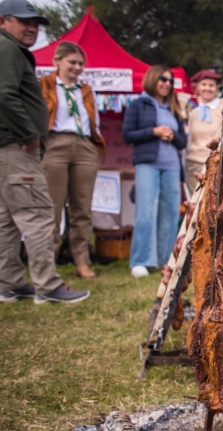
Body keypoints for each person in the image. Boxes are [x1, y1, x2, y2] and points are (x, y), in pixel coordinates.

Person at [0, 0, 89, 304]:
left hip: (6, 149)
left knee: (7, 218)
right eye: (24, 22)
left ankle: (9, 281)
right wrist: (29, 136)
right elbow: (5, 95)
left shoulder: (9, 50)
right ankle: (47, 285)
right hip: (15, 147)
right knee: (38, 215)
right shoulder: (7, 49)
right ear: (3, 21)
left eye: (36, 23)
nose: (32, 28)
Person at [40, 41, 106, 280]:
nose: (77, 67)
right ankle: (47, 262)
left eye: (80, 64)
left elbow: (94, 121)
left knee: (82, 208)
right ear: (57, 61)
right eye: (72, 62)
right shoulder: (44, 85)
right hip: (54, 143)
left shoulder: (86, 90)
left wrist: (94, 147)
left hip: (84, 145)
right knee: (52, 208)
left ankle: (81, 260)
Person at [123, 65, 187, 278]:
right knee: (145, 212)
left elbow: (182, 141)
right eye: (163, 79)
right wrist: (154, 132)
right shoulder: (139, 105)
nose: (167, 84)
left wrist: (172, 137)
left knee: (170, 212)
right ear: (152, 79)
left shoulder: (173, 108)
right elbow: (128, 134)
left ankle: (166, 259)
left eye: (170, 81)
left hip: (171, 165)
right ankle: (140, 260)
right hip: (147, 163)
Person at [185, 69, 223, 193]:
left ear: (216, 88)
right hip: (194, 163)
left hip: (217, 162)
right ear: (197, 88)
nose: (207, 88)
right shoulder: (194, 112)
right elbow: (190, 139)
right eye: (204, 84)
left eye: (211, 85)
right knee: (195, 204)